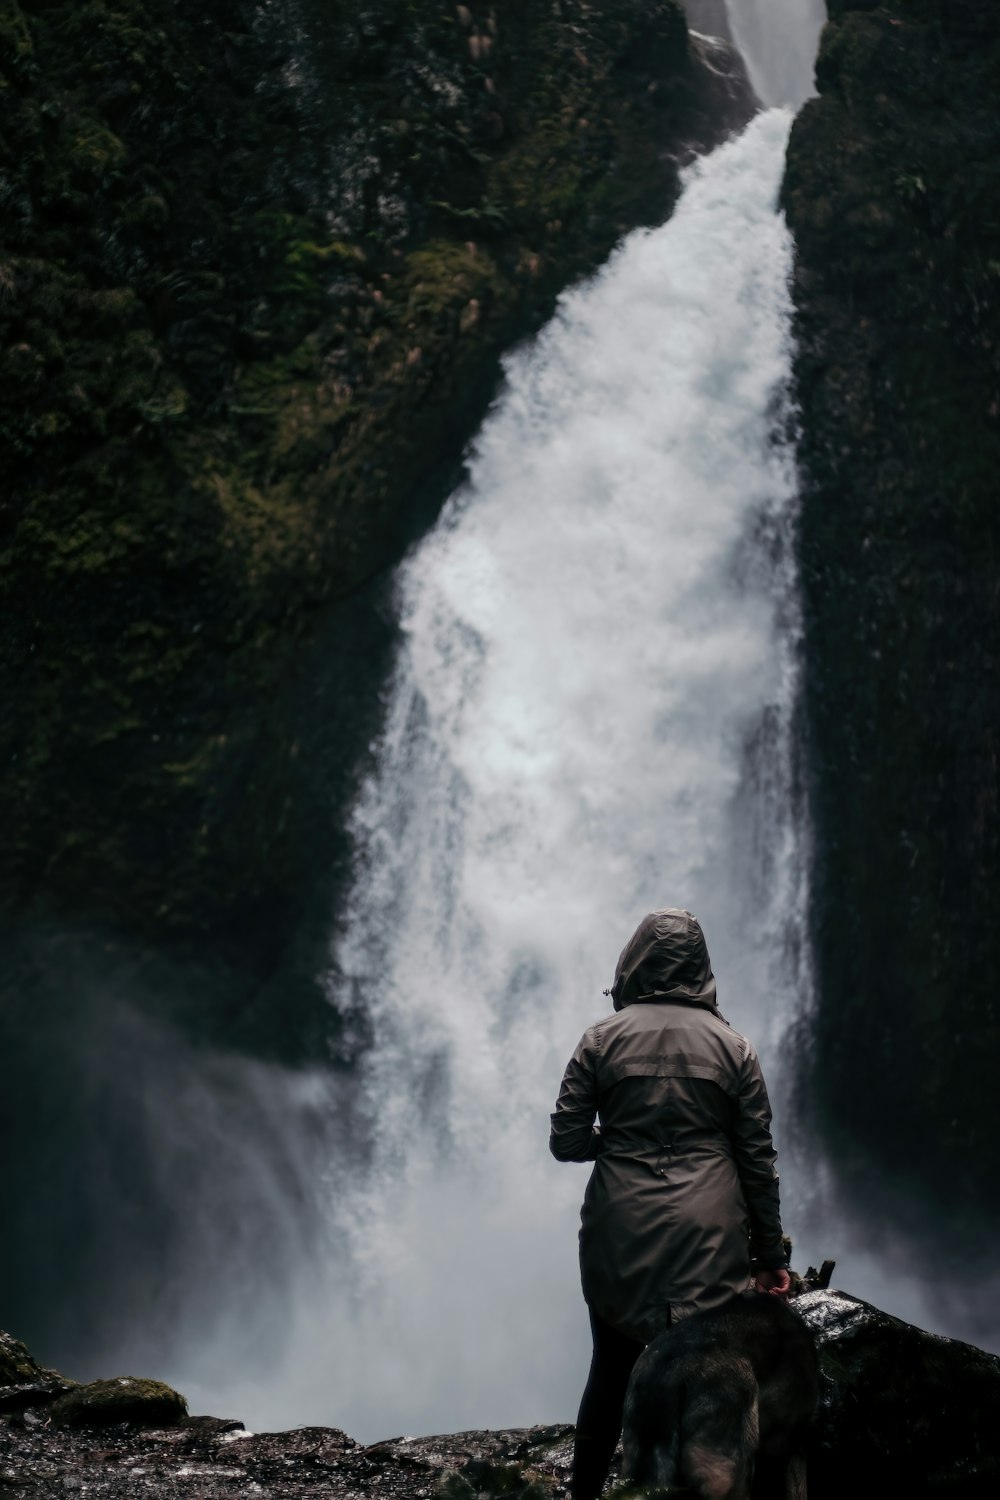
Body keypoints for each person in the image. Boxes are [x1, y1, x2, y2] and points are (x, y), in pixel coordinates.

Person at [549, 908, 790, 1500]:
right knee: (710, 1378)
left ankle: (585, 1493)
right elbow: (758, 1162)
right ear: (701, 969)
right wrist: (767, 1255)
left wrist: (624, 1141)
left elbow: (567, 1141)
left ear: (634, 962)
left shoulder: (600, 1040)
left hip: (619, 1233)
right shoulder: (736, 1049)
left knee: (609, 1371)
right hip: (709, 1242)